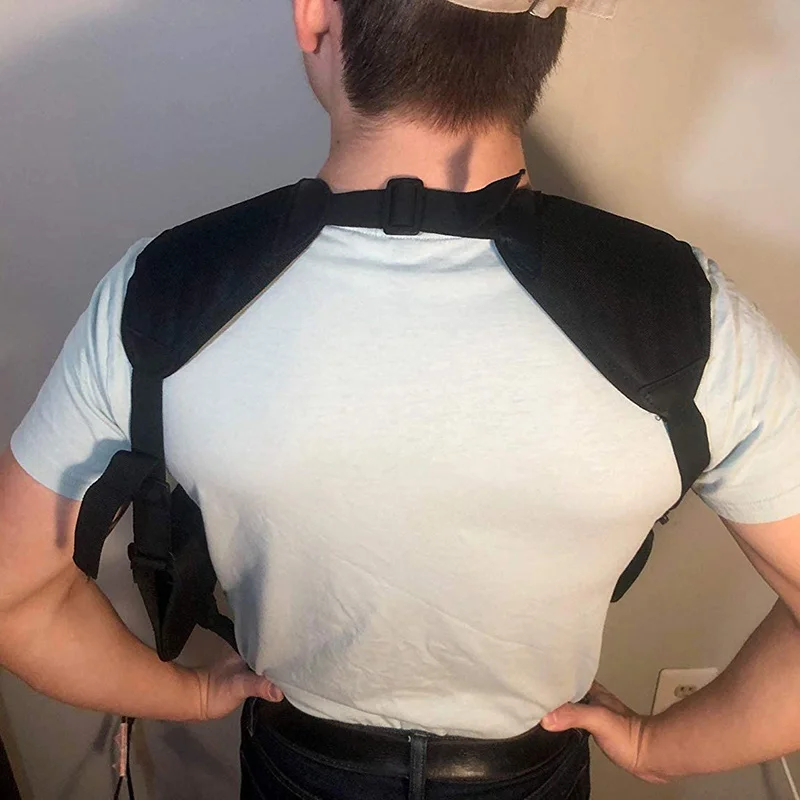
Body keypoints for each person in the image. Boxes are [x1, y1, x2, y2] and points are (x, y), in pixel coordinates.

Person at [1, 0, 799, 798]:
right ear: (545, 34)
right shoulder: (687, 315)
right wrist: (659, 749)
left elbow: (15, 599)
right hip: (528, 771)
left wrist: (192, 695)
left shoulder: (163, 293)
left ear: (314, 18)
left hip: (297, 763)